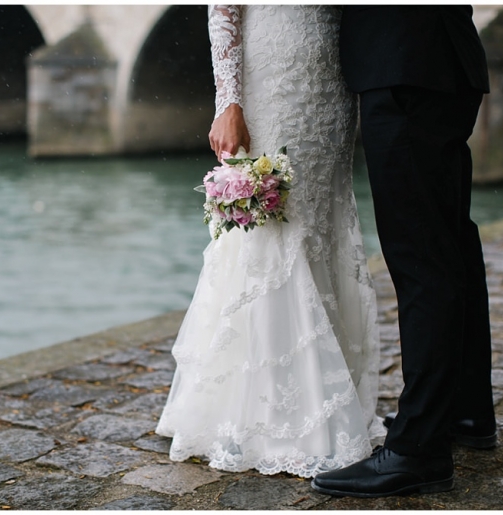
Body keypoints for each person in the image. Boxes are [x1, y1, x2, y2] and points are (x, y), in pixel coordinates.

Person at [155, 5, 385, 478]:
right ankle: (269, 410)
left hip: (330, 84)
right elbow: (223, 9)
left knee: (321, 221)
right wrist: (228, 102)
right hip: (273, 75)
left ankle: (329, 392)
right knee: (277, 223)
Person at [311, 6, 496, 497]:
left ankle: (418, 448)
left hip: (404, 64)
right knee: (450, 244)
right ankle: (464, 409)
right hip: (436, 59)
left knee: (422, 259)